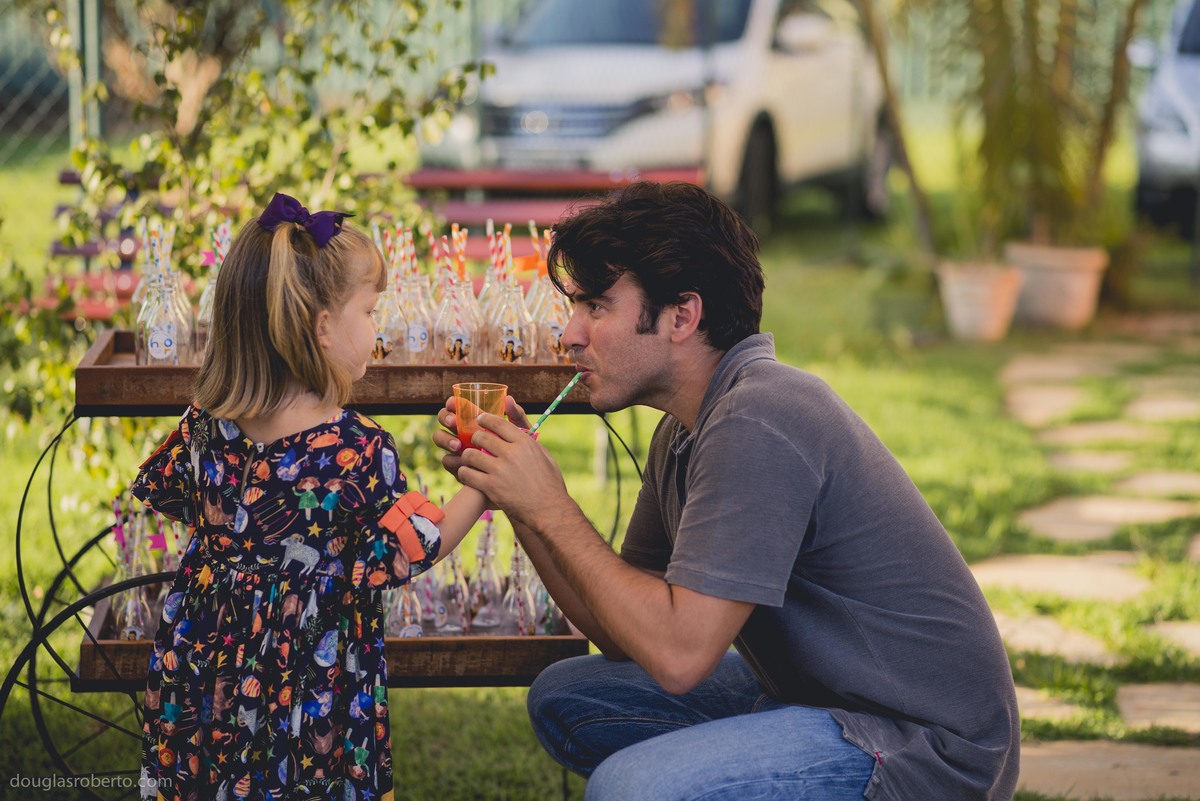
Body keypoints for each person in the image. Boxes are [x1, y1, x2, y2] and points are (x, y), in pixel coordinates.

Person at [433, 181, 1020, 801]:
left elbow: (678, 656)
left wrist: (551, 503)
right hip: (819, 696)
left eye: (597, 307)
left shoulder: (759, 417)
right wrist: (521, 501)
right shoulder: (684, 432)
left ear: (683, 315)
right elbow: (623, 633)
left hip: (923, 745)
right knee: (568, 696)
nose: (571, 334)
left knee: (633, 788)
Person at [131, 192, 486, 801]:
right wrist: (483, 485)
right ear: (323, 327)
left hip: (204, 683)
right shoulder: (357, 451)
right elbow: (415, 547)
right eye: (371, 312)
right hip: (313, 697)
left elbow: (177, 498)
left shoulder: (203, 427)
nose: (377, 329)